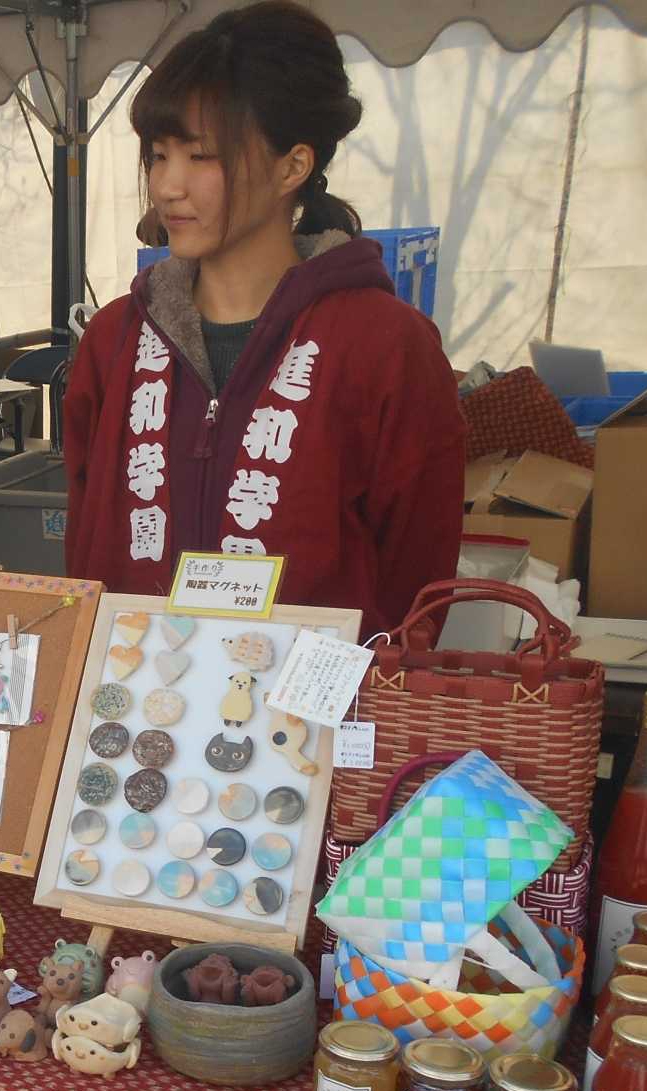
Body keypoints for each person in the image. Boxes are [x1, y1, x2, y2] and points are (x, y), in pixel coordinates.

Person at [62, 0, 464, 635]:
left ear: (293, 166)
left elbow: (417, 576)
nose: (168, 186)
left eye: (201, 157)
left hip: (310, 724)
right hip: (135, 714)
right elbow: (86, 543)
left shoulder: (386, 345)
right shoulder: (114, 340)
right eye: (158, 156)